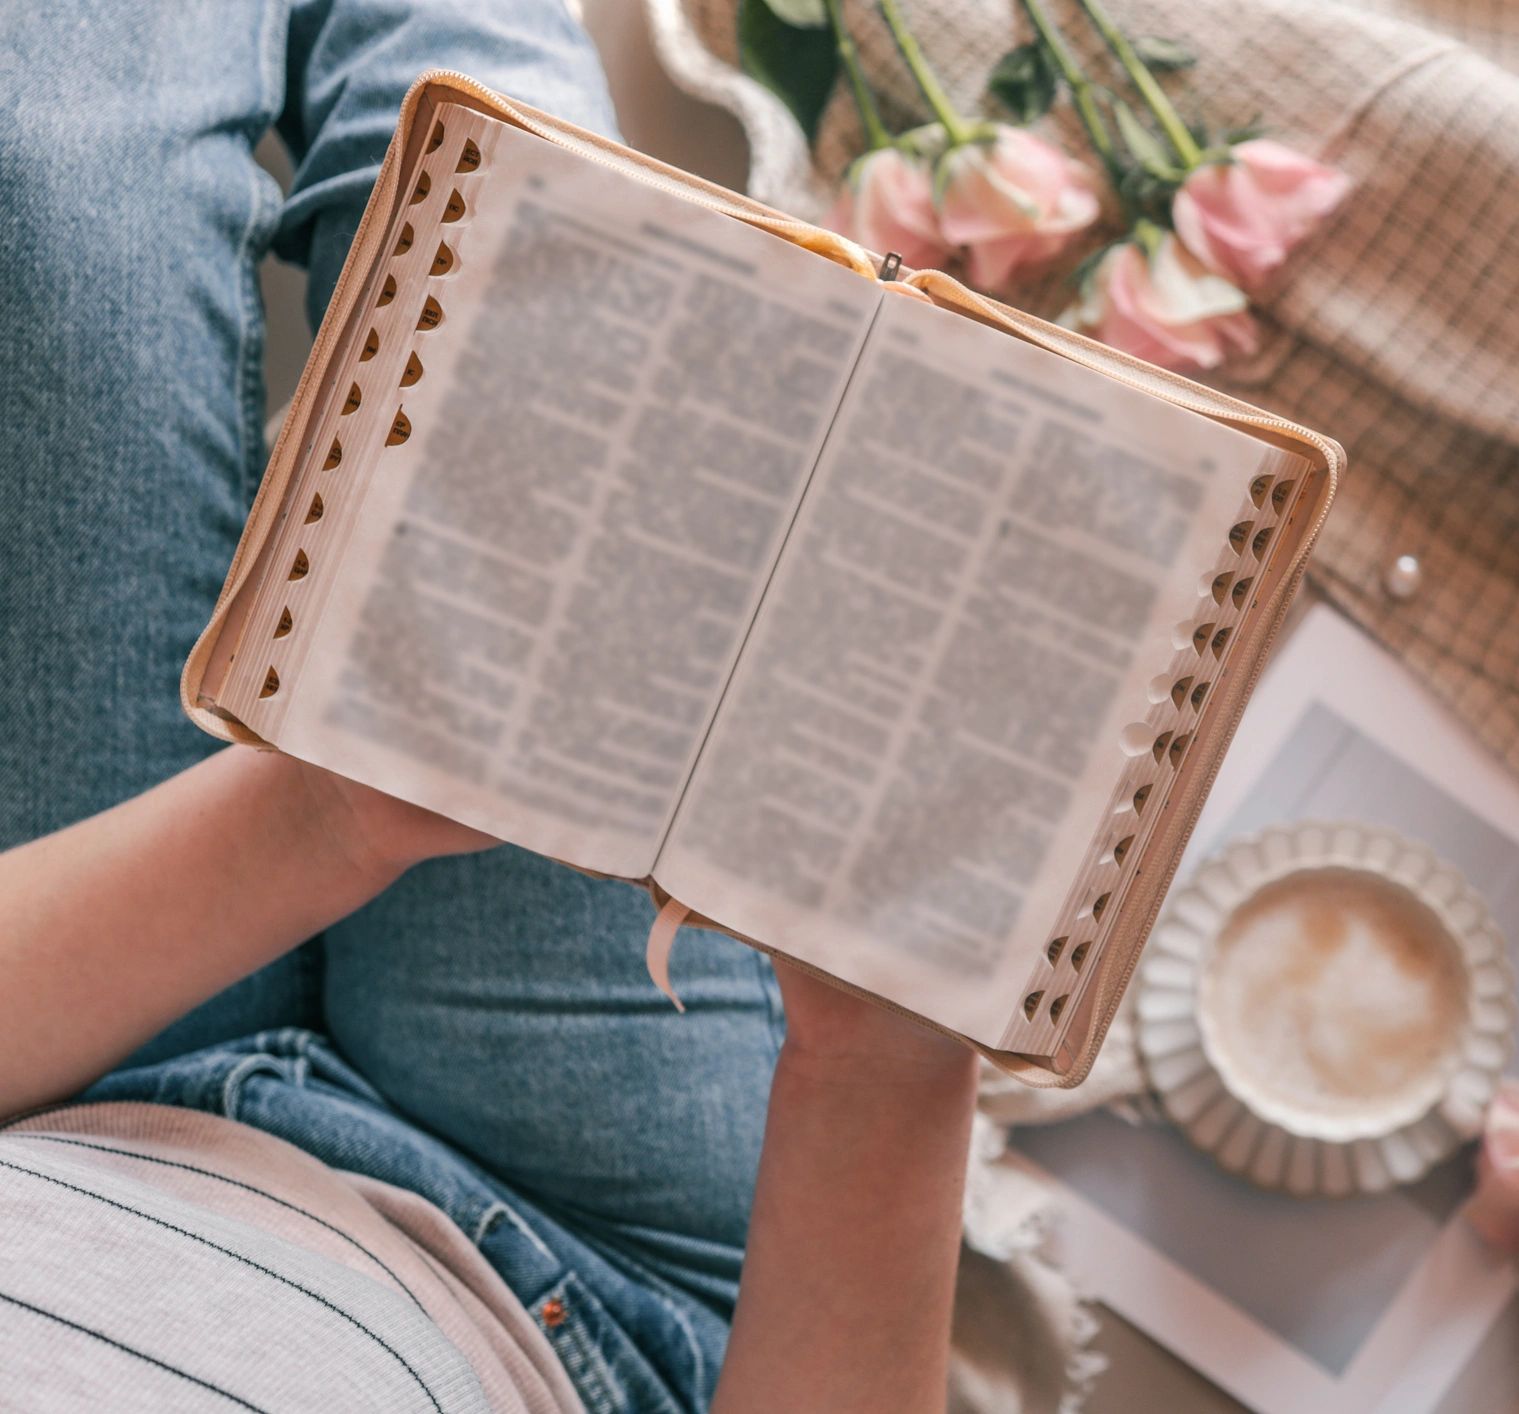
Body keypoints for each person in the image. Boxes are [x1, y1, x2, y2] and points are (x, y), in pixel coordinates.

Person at [0, 2, 975, 1410]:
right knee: (549, 266)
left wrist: (312, 817)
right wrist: (890, 1049)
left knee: (52, 175)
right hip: (580, 1274)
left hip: (55, 1048)